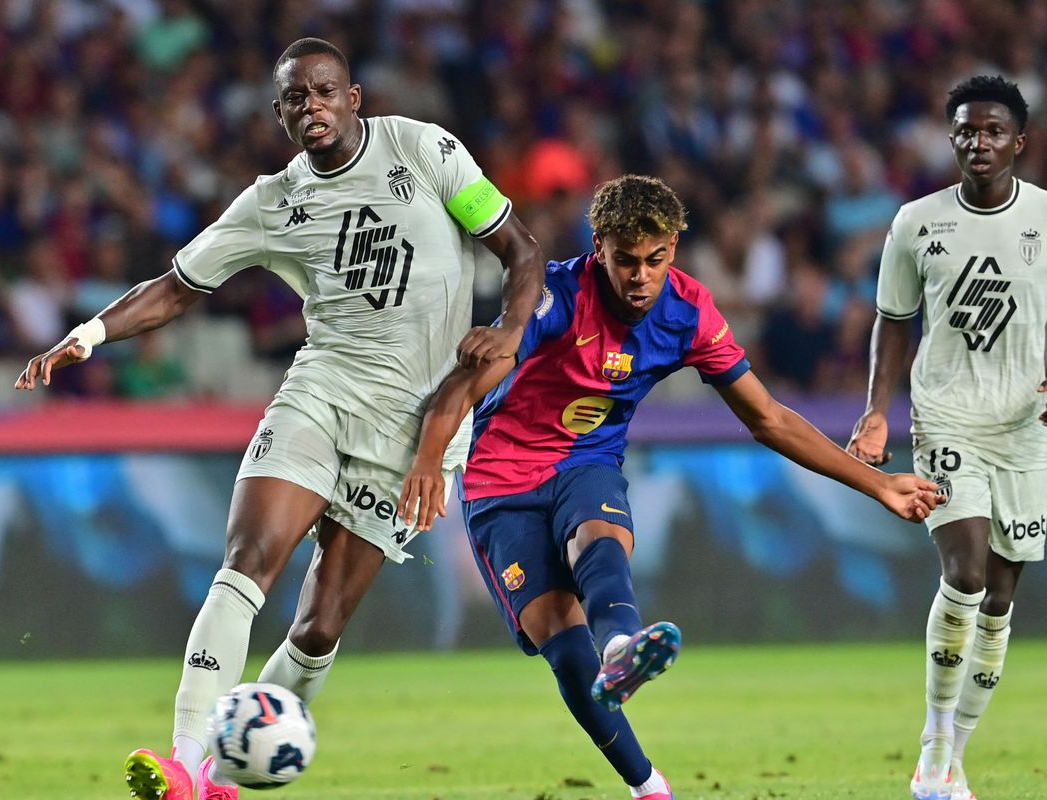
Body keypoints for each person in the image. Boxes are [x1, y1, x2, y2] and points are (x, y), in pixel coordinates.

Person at [15, 37, 545, 800]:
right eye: (296, 98)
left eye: (325, 92)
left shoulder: (424, 152)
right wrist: (89, 334)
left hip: (414, 426)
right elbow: (176, 286)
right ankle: (187, 762)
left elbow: (518, 249)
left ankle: (230, 771)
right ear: (279, 114)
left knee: (320, 625)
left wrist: (509, 328)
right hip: (322, 393)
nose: (313, 107)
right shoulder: (274, 202)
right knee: (248, 558)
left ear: (353, 97)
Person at [399, 174, 942, 800]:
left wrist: (879, 486)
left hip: (585, 461)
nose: (639, 276)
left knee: (598, 537)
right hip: (500, 481)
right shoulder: (553, 297)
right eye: (625, 260)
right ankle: (648, 785)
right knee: (568, 655)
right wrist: (428, 460)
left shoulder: (688, 313)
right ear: (597, 245)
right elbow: (470, 381)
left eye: (655, 259)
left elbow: (768, 418)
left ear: (674, 250)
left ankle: (624, 644)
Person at [846, 75, 1047, 800]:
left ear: (1019, 141)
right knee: (964, 572)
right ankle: (933, 744)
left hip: (1025, 430)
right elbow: (893, 319)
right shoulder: (916, 222)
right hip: (947, 418)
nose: (978, 142)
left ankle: (955, 754)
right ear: (952, 138)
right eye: (966, 130)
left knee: (999, 597)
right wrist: (877, 410)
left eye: (993, 130)